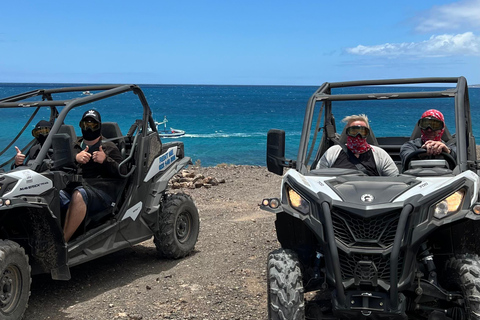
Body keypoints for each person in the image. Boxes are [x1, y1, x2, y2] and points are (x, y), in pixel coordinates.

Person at [61, 109, 126, 242]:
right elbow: (59, 166)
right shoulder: (76, 146)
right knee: (52, 193)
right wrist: (75, 158)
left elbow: (124, 172)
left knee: (78, 195)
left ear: (99, 127)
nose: (89, 128)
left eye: (93, 125)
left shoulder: (109, 146)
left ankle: (63, 243)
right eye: (86, 125)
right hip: (75, 187)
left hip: (102, 192)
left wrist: (105, 160)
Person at [316, 114, 398, 176]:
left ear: (367, 134)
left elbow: (395, 179)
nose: (358, 136)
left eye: (362, 132)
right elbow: (318, 176)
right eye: (354, 132)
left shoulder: (379, 154)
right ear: (347, 133)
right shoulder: (333, 152)